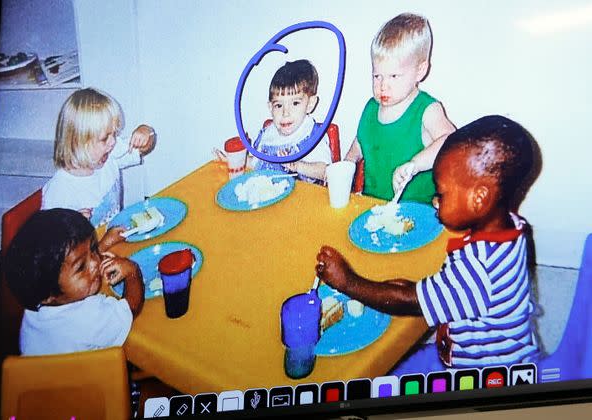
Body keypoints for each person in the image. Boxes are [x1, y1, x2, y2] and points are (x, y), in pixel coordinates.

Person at [316, 115, 540, 370]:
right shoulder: (512, 226)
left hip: (485, 376)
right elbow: (451, 292)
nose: (435, 201)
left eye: (441, 194)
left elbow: (408, 301)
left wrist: (347, 282)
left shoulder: (477, 270)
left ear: (478, 199)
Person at [345, 13, 455, 203]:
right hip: (373, 207)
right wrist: (347, 163)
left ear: (420, 71)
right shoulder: (371, 108)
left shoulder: (427, 109)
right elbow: (361, 143)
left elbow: (451, 140)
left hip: (417, 214)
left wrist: (415, 164)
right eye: (377, 76)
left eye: (394, 76)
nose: (383, 86)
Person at [4, 208, 145, 356]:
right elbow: (131, 307)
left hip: (43, 376)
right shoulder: (90, 318)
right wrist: (132, 272)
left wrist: (104, 244)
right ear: (49, 295)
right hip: (95, 378)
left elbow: (71, 261)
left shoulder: (37, 298)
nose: (95, 263)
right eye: (81, 267)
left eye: (93, 248)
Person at [41, 87, 155, 250]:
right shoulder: (59, 192)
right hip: (90, 263)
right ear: (77, 142)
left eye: (114, 134)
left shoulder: (109, 155)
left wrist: (146, 133)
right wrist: (72, 229)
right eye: (104, 138)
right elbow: (55, 252)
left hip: (117, 244)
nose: (113, 142)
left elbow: (144, 148)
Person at [215, 59, 332, 184]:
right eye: (279, 106)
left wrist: (298, 166)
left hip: (304, 201)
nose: (285, 113)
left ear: (310, 104)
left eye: (295, 103)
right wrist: (235, 160)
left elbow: (326, 172)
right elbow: (257, 164)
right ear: (270, 108)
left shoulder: (312, 135)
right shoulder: (268, 134)